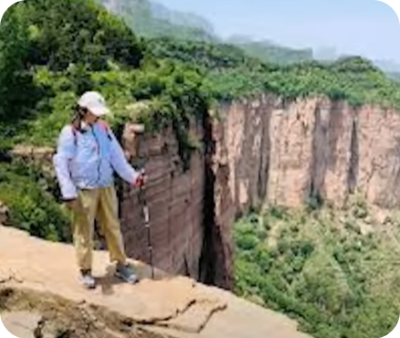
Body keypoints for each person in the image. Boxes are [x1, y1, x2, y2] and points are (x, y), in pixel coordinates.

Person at [53, 91, 146, 289]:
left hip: (105, 185)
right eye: (95, 112)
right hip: (84, 188)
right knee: (83, 229)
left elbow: (117, 157)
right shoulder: (70, 133)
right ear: (84, 110)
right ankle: (86, 270)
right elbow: (61, 163)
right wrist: (68, 192)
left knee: (113, 225)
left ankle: (121, 264)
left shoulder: (104, 129)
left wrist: (133, 177)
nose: (98, 116)